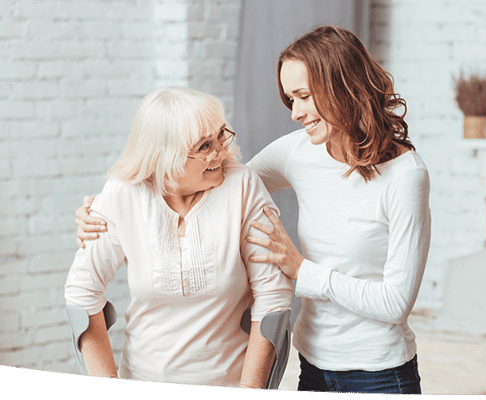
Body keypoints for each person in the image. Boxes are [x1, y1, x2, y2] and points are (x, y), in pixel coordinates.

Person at [76, 26, 431, 394]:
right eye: (289, 100)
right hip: (313, 364)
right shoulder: (299, 151)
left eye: (304, 96)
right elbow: (224, 181)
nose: (295, 113)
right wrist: (106, 210)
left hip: (379, 371)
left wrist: (301, 270)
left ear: (342, 85)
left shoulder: (407, 176)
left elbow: (396, 303)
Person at [65, 87, 293, 389]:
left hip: (230, 382)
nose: (221, 152)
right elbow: (82, 293)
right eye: (204, 146)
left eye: (220, 135)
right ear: (164, 156)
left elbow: (273, 298)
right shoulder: (123, 194)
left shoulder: (242, 186)